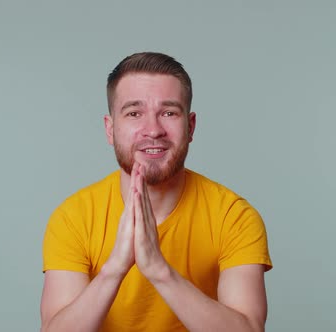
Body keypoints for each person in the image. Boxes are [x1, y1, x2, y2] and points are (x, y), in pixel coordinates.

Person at [40, 52, 272, 332]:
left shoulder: (234, 217)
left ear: (190, 126)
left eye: (169, 113)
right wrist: (114, 269)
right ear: (110, 129)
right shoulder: (73, 218)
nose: (153, 130)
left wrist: (159, 271)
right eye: (134, 113)